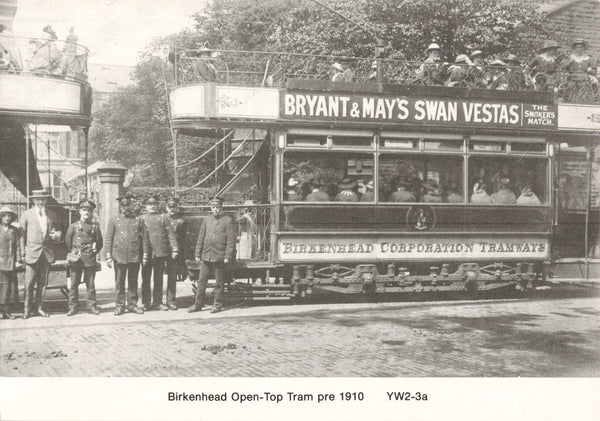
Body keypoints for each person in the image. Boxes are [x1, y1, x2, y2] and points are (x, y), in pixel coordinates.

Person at [19, 189, 61, 319]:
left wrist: (57, 234)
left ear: (46, 200)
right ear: (33, 200)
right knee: (29, 283)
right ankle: (26, 309)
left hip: (46, 253)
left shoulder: (51, 214)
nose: (40, 201)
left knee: (43, 283)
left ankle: (39, 308)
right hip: (31, 253)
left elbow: (57, 230)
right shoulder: (27, 214)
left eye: (43, 199)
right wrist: (22, 253)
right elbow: (21, 235)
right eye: (38, 199)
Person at [189, 197, 234, 314]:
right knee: (201, 281)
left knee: (219, 282)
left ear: (221, 208)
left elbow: (231, 240)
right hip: (206, 255)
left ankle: (217, 305)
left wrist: (227, 256)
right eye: (213, 207)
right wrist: (197, 253)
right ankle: (197, 304)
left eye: (218, 207)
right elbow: (201, 237)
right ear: (211, 208)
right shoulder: (207, 220)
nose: (216, 210)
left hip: (219, 255)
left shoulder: (227, 220)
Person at [105, 192, 145, 316]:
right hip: (119, 256)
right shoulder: (114, 220)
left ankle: (132, 305)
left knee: (133, 282)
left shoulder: (138, 220)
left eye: (128, 205)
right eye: (123, 206)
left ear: (131, 205)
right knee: (119, 283)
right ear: (120, 207)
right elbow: (109, 238)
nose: (126, 207)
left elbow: (144, 239)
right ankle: (120, 306)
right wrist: (108, 256)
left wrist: (144, 255)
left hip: (134, 255)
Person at [65, 199, 103, 316]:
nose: (87, 213)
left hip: (89, 258)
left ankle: (91, 306)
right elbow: (68, 242)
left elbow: (100, 243)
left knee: (90, 285)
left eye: (89, 211)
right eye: (84, 210)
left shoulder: (95, 227)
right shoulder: (73, 226)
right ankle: (73, 307)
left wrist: (94, 251)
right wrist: (73, 253)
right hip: (76, 259)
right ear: (80, 211)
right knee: (74, 284)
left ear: (92, 212)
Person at [141, 195, 178, 311]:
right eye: (149, 204)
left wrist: (175, 248)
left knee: (158, 278)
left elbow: (170, 234)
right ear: (146, 206)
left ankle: (157, 302)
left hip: (160, 253)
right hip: (147, 254)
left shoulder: (163, 218)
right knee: (146, 279)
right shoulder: (141, 218)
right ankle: (146, 302)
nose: (152, 206)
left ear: (157, 205)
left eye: (154, 204)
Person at [164, 197, 186, 310]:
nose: (172, 209)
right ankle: (156, 301)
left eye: (174, 207)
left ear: (177, 208)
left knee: (172, 277)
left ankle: (171, 301)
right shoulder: (161, 219)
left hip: (174, 252)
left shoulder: (181, 221)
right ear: (166, 207)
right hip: (162, 251)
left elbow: (182, 239)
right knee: (157, 277)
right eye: (170, 206)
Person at [0, 206, 21, 319]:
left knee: (9, 288)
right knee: (1, 287)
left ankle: (6, 310)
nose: (7, 218)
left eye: (9, 216)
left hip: (11, 263)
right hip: (0, 262)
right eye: (5, 216)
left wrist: (18, 260)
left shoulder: (14, 230)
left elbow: (17, 246)